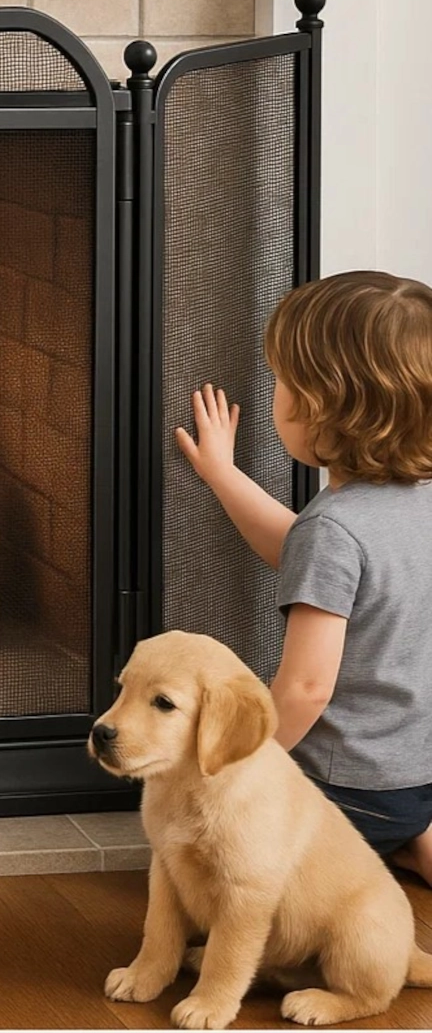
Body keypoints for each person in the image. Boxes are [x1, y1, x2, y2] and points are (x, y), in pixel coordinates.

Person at [175, 270, 432, 884]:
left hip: (339, 791)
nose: (275, 394)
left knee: (206, 858)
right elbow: (305, 555)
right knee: (392, 819)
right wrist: (223, 474)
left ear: (319, 406)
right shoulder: (413, 506)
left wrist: (237, 765)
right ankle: (410, 841)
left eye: (281, 381)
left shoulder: (335, 531)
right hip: (414, 777)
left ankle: (345, 864)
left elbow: (306, 689)